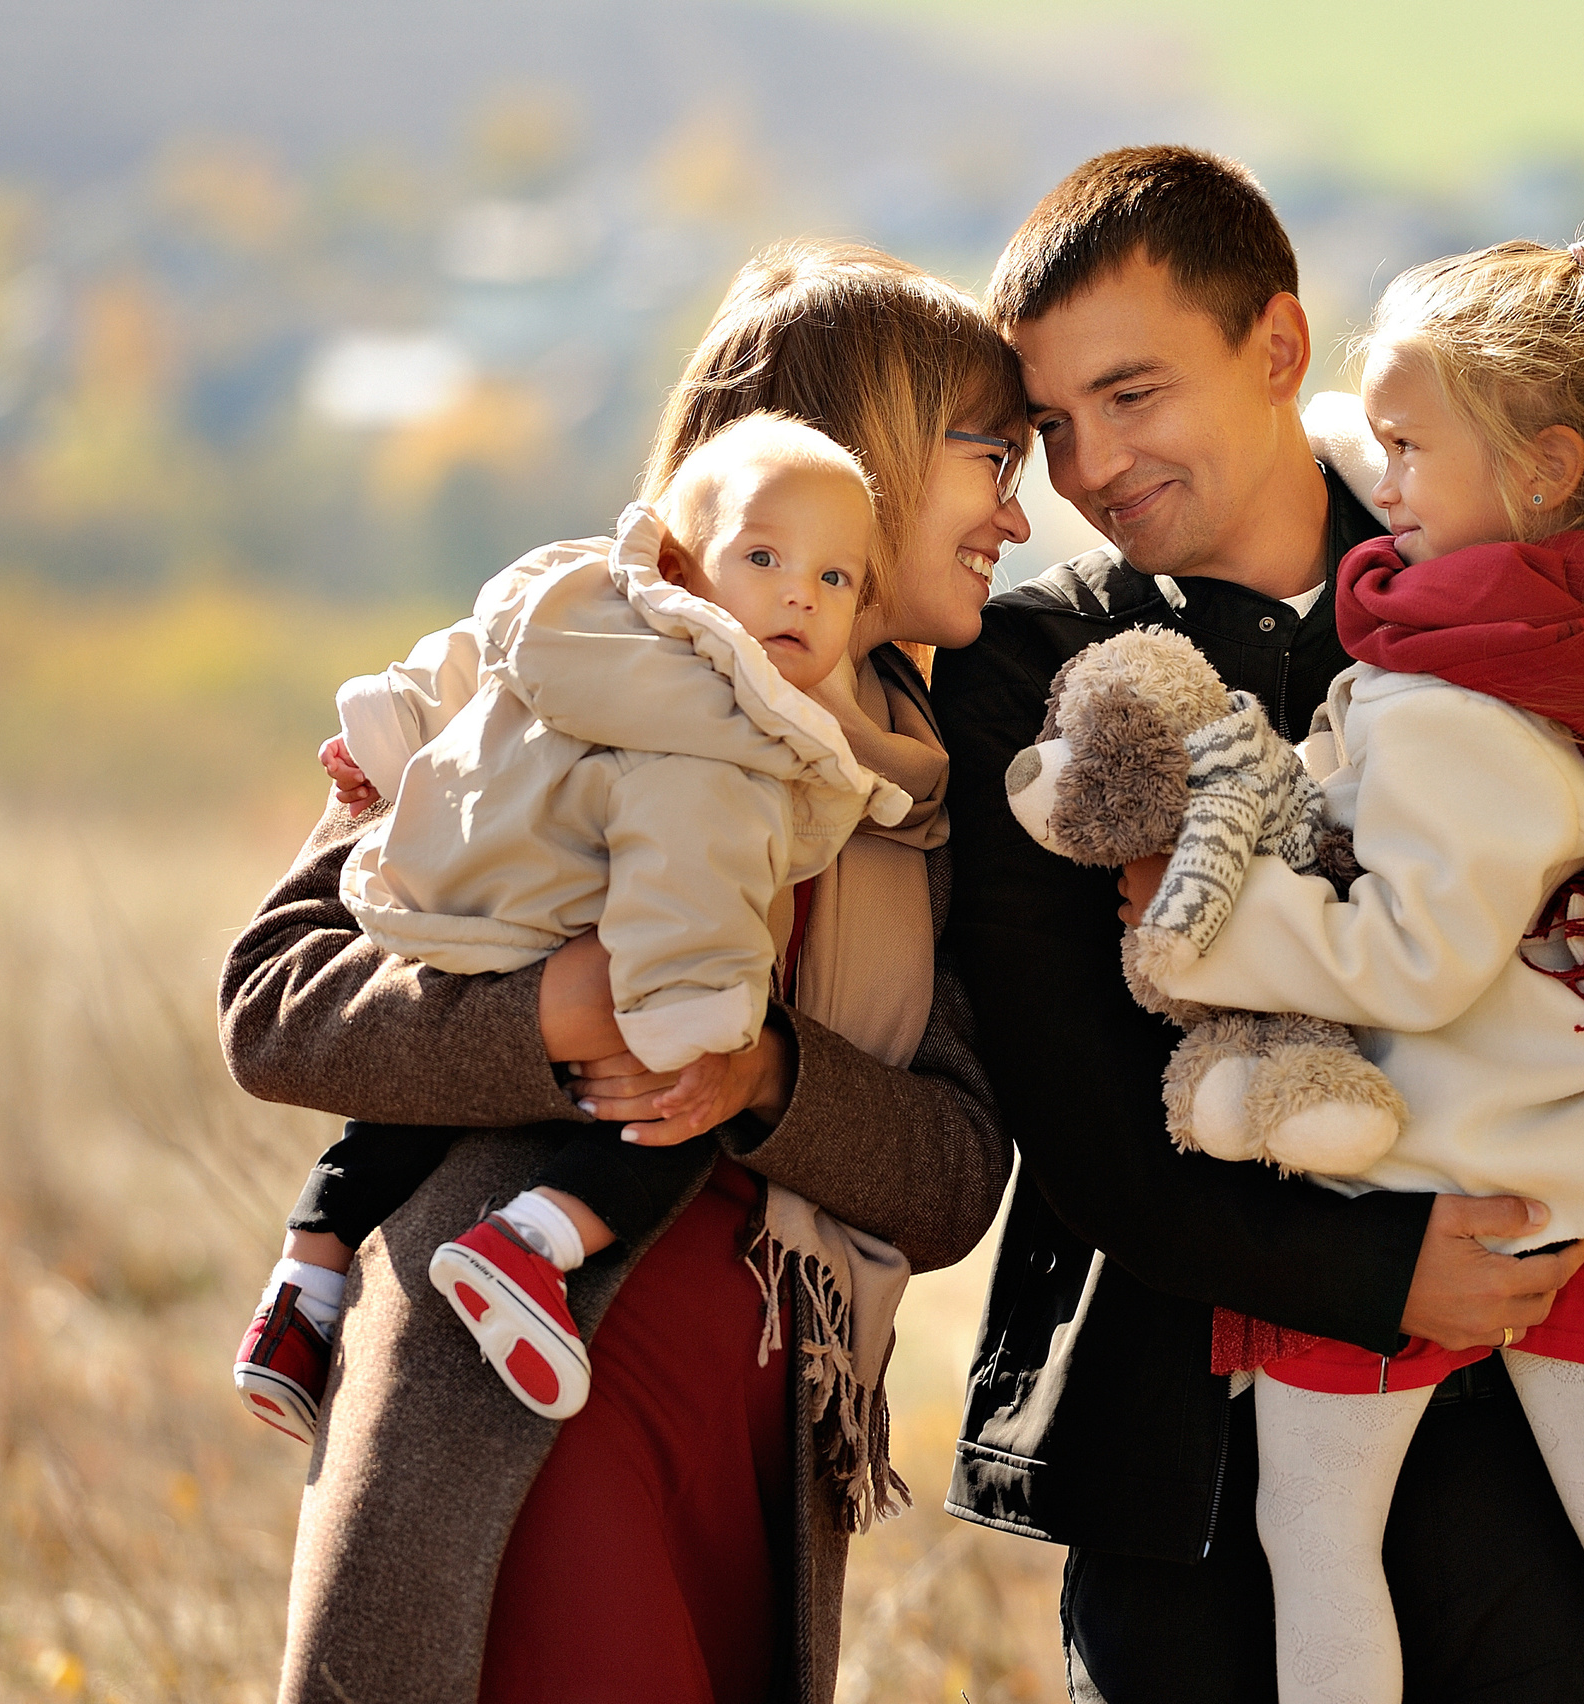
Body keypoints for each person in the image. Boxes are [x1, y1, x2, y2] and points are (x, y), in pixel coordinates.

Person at [935, 145, 1584, 1703]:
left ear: (1279, 347)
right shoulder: (1046, 677)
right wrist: (1376, 1266)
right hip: (1199, 1454)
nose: (1091, 467)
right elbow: (1075, 1106)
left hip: (1542, 1437)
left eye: (1133, 394)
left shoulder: (1515, 561)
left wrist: (1553, 1201)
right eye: (1054, 425)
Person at [219, 240, 1030, 1704]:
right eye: (992, 458)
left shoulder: (914, 790)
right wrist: (553, 1015)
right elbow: (278, 1000)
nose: (1017, 513)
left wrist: (766, 1074)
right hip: (515, 1431)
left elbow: (956, 1177)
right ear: (875, 455)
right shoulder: (545, 657)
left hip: (742, 1466)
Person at [1137, 205, 1584, 1704]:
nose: (1377, 487)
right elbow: (1417, 444)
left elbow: (1412, 961)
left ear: (1546, 468)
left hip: (1424, 1176)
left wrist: (1208, 925)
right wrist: (1370, 420)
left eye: (1404, 452)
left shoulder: (1452, 702)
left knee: (1317, 1538)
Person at [232, 413, 908, 1437]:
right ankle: (531, 1245)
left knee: (402, 1115)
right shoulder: (724, 733)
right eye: (764, 560)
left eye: (834, 579)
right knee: (676, 1112)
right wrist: (700, 1029)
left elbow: (471, 657)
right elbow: (691, 877)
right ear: (682, 565)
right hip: (560, 943)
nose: (798, 597)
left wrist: (384, 730)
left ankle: (302, 1286)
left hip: (449, 910)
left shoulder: (577, 597)